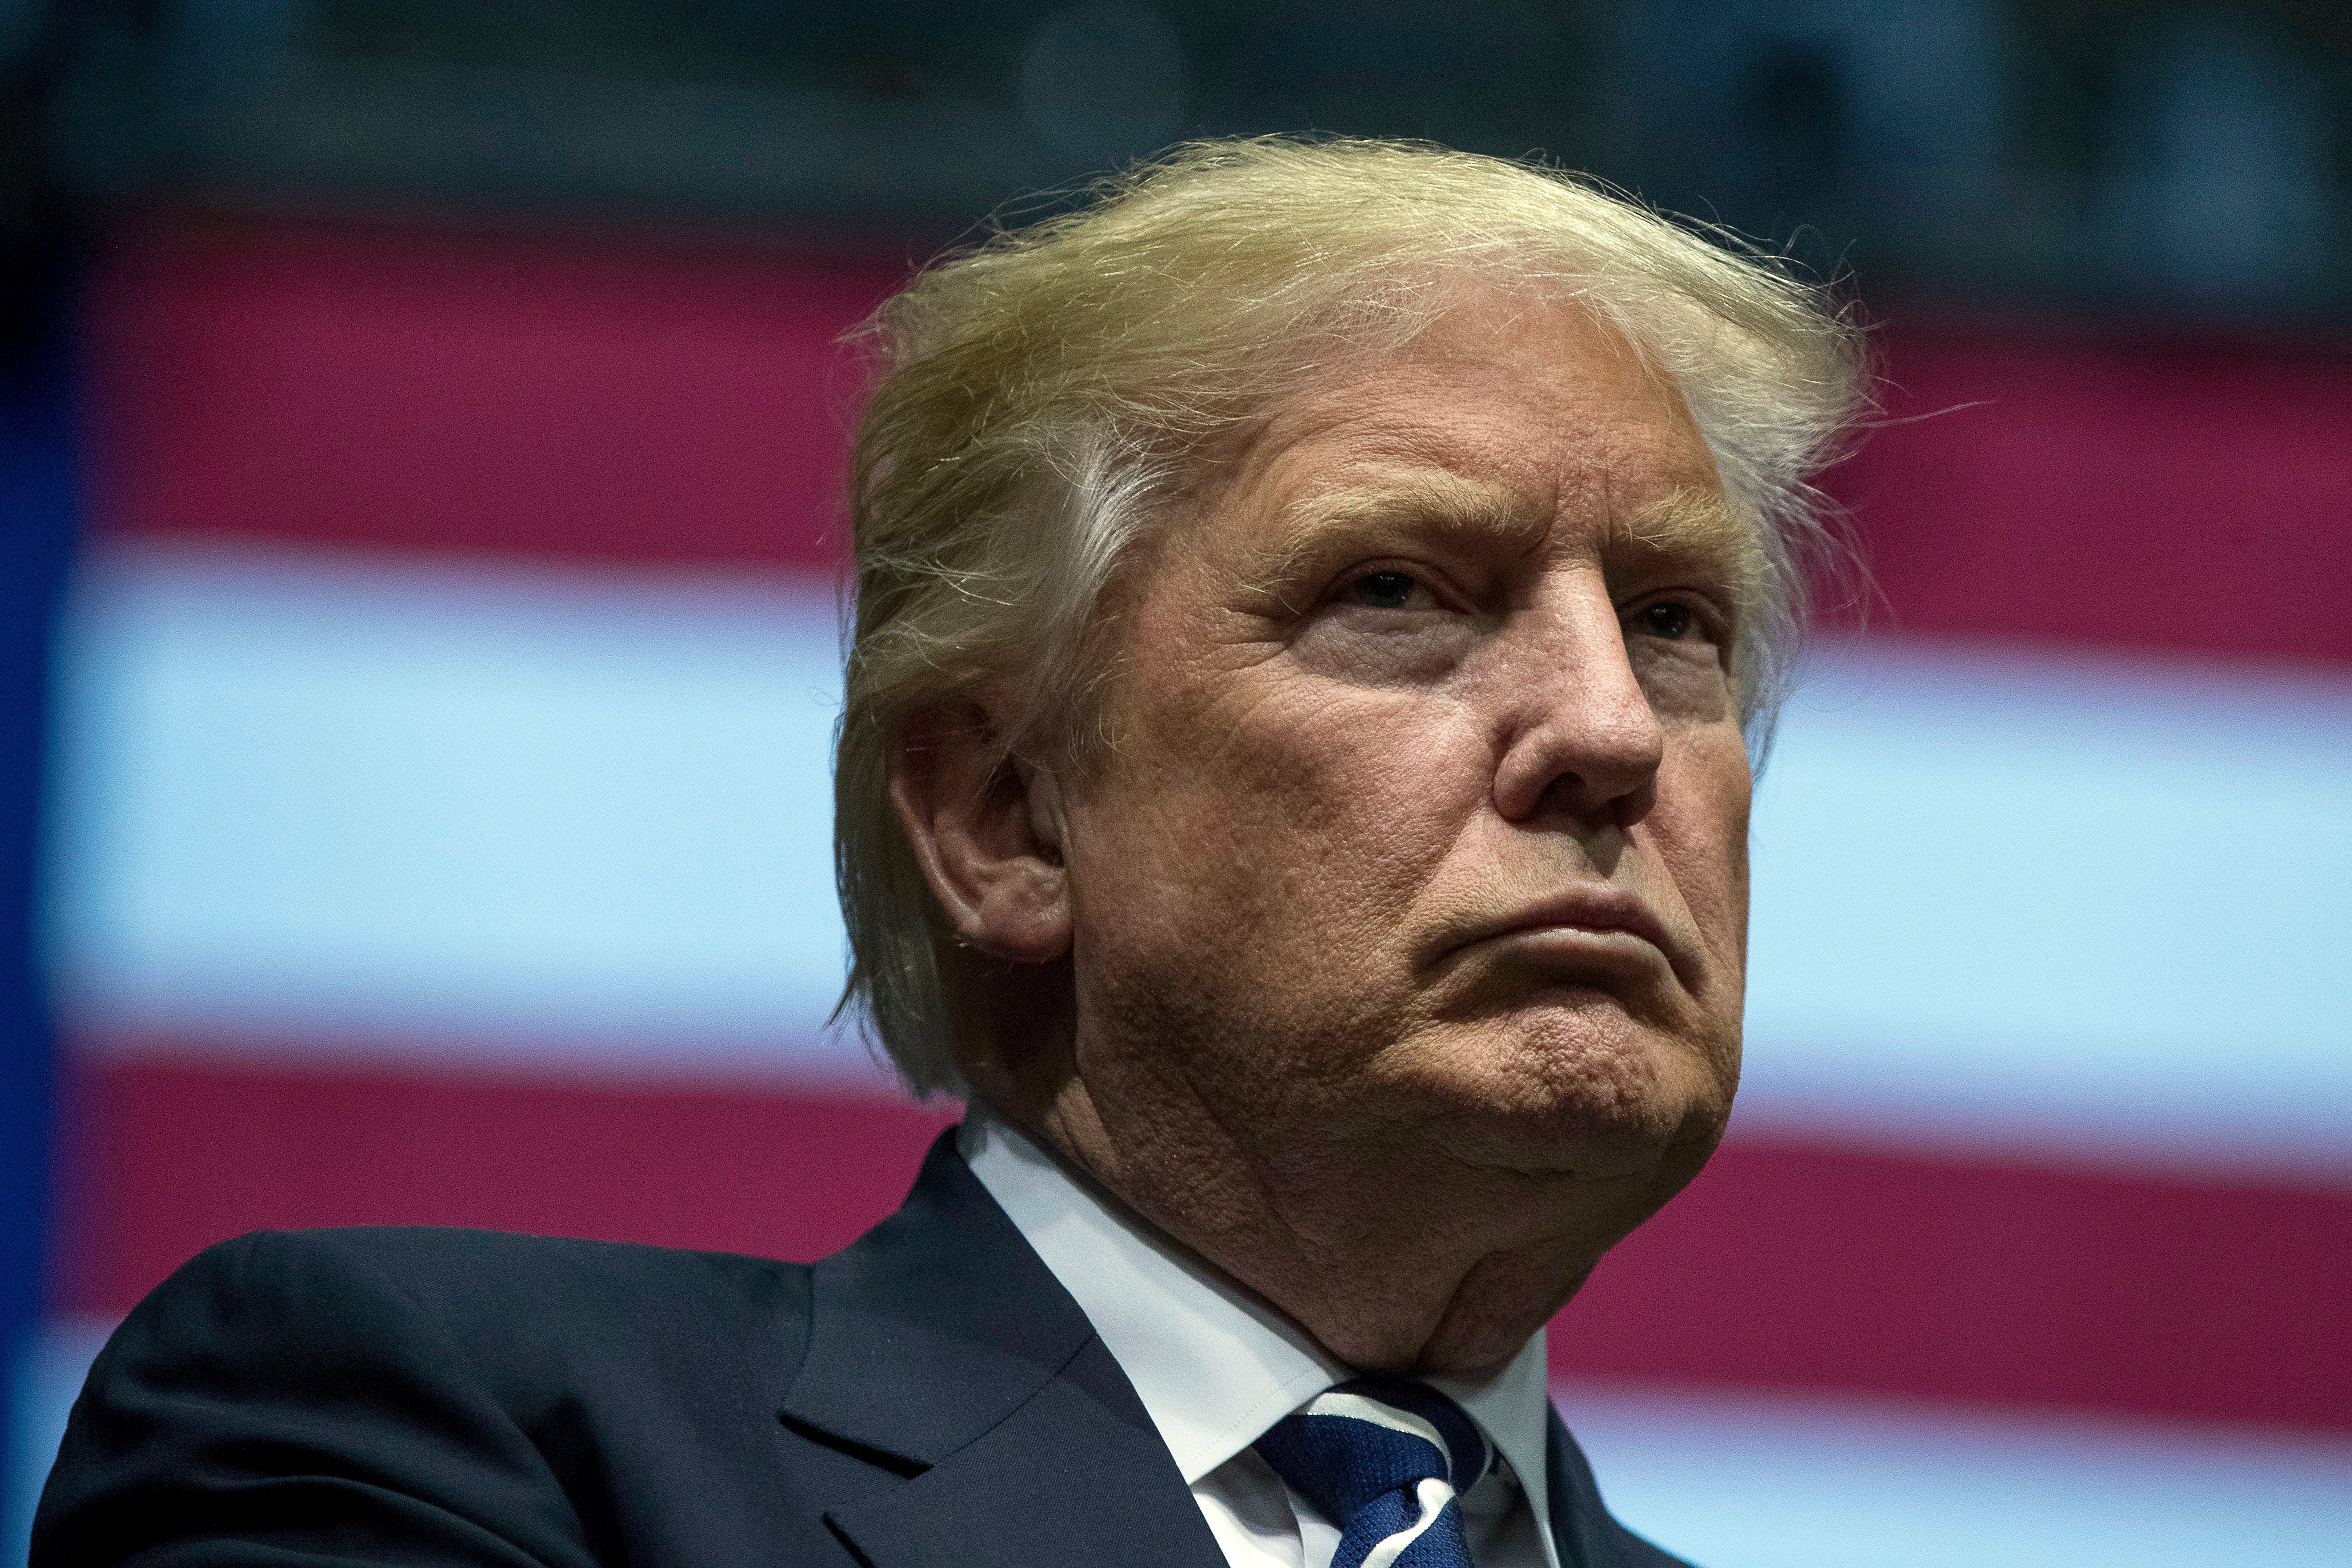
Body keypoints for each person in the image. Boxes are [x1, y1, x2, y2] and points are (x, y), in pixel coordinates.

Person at [36, 138, 1863, 1568]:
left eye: (1675, 622)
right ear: (1002, 816)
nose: (1614, 731)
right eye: (1394, 592)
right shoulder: (436, 1437)